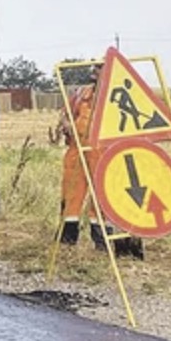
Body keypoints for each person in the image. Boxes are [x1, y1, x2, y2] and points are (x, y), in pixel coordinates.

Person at [55, 68, 143, 259]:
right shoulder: (81, 94)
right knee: (71, 196)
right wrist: (67, 125)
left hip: (105, 154)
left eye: (100, 68)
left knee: (103, 198)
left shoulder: (121, 97)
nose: (94, 72)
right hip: (77, 152)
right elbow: (65, 114)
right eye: (94, 69)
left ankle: (102, 243)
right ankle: (67, 241)